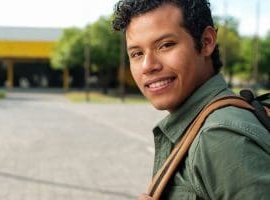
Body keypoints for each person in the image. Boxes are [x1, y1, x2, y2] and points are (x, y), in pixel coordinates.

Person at [112, 0, 270, 199]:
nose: (147, 65)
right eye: (137, 53)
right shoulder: (209, 121)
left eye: (165, 45)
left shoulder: (219, 136)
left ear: (206, 42)